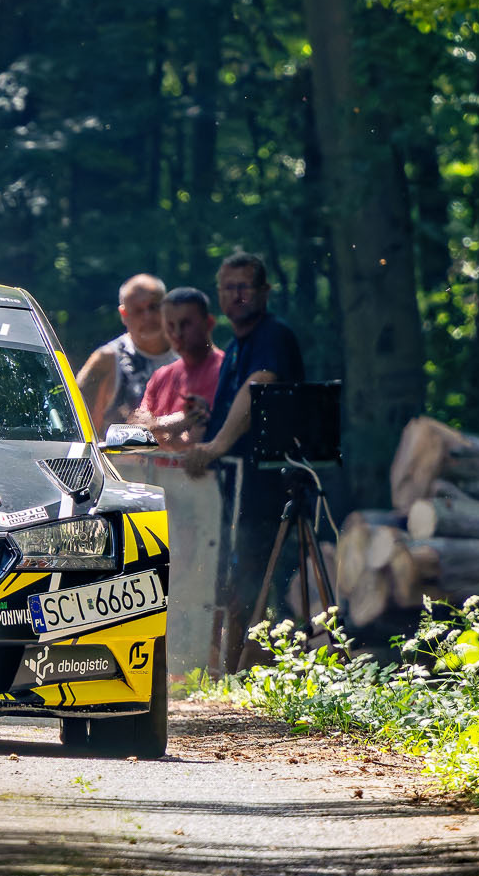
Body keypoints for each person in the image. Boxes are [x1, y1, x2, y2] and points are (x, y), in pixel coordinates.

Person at [179, 253, 306, 673]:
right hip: (237, 495)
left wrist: (216, 445)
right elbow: (235, 409)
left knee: (259, 589)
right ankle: (229, 673)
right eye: (228, 287)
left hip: (271, 493)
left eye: (244, 286)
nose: (236, 295)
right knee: (234, 587)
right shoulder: (234, 349)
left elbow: (259, 388)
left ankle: (257, 675)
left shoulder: (274, 336)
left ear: (264, 292)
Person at [74, 274, 175, 429]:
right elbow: (80, 426)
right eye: (138, 310)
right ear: (124, 314)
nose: (147, 316)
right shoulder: (107, 360)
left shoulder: (193, 352)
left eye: (154, 307)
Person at [136, 288, 225, 451]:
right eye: (170, 325)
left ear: (209, 323)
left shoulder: (227, 372)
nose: (177, 333)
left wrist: (158, 428)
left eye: (185, 324)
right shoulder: (161, 376)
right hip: (156, 467)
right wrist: (183, 421)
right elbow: (137, 431)